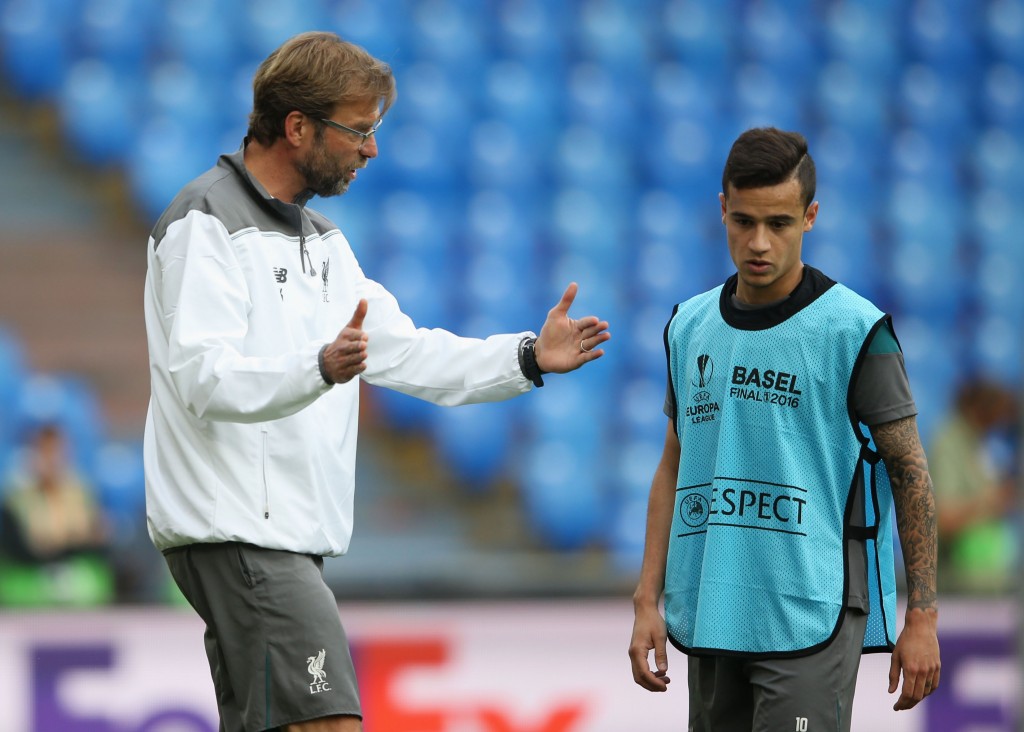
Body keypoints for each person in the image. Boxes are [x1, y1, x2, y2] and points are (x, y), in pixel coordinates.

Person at [142, 31, 609, 732]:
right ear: (297, 128)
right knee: (330, 724)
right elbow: (203, 380)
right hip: (241, 533)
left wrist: (527, 358)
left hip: (281, 539)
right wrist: (318, 367)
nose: (372, 149)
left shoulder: (324, 241)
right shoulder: (203, 225)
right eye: (358, 131)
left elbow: (408, 353)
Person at [627, 127, 940, 731]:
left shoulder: (856, 332)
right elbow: (672, 464)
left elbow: (910, 472)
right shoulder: (689, 325)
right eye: (743, 221)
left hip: (811, 609)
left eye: (780, 223)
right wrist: (647, 598)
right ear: (722, 209)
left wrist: (922, 615)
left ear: (811, 216)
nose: (759, 243)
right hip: (714, 604)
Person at [0, 422, 113, 604]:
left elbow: (91, 535)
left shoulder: (78, 489)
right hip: (30, 573)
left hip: (73, 570)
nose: (51, 459)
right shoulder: (17, 495)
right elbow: (34, 543)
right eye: (45, 451)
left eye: (56, 451)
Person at [929, 378, 1017, 593]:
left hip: (980, 567)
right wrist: (991, 501)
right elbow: (945, 518)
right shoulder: (949, 444)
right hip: (953, 573)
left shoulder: (977, 442)